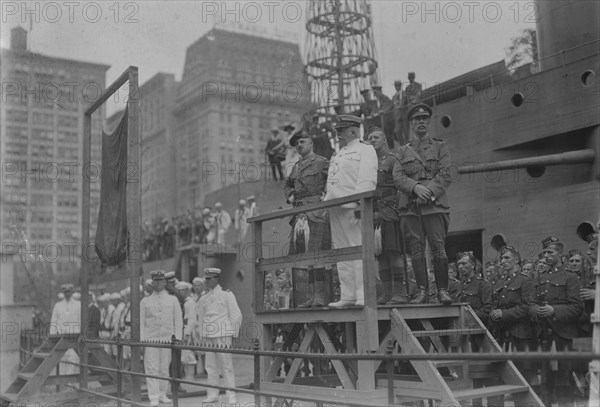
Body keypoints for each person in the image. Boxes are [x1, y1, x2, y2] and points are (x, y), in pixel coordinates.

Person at [393, 103, 453, 304]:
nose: (421, 122)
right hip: (411, 208)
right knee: (416, 250)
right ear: (411, 124)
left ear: (428, 122)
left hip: (434, 208)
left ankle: (443, 291)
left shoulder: (440, 146)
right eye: (417, 119)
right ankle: (422, 292)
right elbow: (398, 177)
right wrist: (415, 188)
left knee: (438, 248)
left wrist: (427, 192)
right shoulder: (402, 151)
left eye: (424, 119)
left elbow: (446, 174)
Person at [324, 114, 377, 307]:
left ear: (354, 130)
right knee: (342, 252)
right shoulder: (339, 152)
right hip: (335, 207)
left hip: (352, 207)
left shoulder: (366, 149)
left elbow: (367, 178)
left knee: (357, 248)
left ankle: (363, 294)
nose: (337, 134)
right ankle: (348, 295)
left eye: (341, 130)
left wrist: (359, 204)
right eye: (337, 130)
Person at [530, 237, 583, 406]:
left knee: (564, 380)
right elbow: (530, 303)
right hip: (544, 336)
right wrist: (536, 311)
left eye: (550, 252)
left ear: (560, 254)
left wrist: (555, 310)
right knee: (546, 381)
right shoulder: (539, 278)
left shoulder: (570, 277)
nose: (546, 256)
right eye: (544, 252)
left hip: (564, 336)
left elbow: (577, 308)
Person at [283, 130, 331, 307]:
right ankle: (312, 295)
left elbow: (332, 180)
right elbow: (287, 185)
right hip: (299, 214)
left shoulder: (322, 162)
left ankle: (320, 294)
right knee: (305, 256)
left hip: (316, 213)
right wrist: (290, 197)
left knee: (316, 253)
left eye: (303, 142)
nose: (299, 145)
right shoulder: (296, 167)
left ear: (311, 143)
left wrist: (326, 197)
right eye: (297, 143)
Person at [367, 127, 408, 304]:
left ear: (384, 140)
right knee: (380, 254)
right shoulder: (367, 163)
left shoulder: (392, 159)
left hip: (390, 212)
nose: (372, 140)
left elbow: (401, 185)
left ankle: (399, 293)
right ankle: (387, 293)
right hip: (372, 213)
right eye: (369, 138)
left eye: (376, 137)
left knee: (393, 252)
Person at [193, 268, 242, 404]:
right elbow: (202, 318)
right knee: (210, 367)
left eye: (209, 279)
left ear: (216, 279)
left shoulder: (226, 295)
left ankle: (231, 395)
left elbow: (236, 315)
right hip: (209, 335)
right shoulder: (204, 297)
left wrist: (234, 332)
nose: (206, 281)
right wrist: (202, 336)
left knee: (226, 366)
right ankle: (212, 394)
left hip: (222, 333)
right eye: (206, 279)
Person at [489, 246, 537, 383]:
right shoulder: (500, 282)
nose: (502, 261)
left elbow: (526, 306)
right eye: (501, 259)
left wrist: (503, 314)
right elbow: (495, 303)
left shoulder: (525, 280)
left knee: (525, 375)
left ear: (516, 260)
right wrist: (494, 312)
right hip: (505, 334)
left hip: (522, 334)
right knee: (509, 375)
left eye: (506, 258)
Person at [140, 270, 183, 407]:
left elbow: (178, 320)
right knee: (152, 368)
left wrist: (177, 338)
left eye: (161, 281)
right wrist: (142, 341)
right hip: (150, 339)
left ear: (165, 282)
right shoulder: (145, 301)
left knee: (164, 368)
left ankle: (163, 393)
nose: (158, 284)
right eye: (156, 281)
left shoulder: (173, 299)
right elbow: (141, 323)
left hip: (166, 338)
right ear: (152, 283)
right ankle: (153, 396)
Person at [50, 284, 81, 375]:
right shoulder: (58, 305)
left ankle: (70, 383)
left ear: (72, 292)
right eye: (65, 292)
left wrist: (80, 334)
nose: (67, 294)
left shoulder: (78, 305)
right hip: (61, 338)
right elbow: (53, 322)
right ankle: (63, 383)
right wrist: (53, 336)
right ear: (63, 293)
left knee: (73, 359)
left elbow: (81, 321)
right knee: (62, 359)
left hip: (74, 337)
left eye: (69, 292)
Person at [455, 252, 492, 323]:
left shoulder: (483, 284)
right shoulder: (458, 286)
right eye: (458, 264)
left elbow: (488, 307)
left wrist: (470, 317)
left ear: (473, 265)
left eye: (464, 263)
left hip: (477, 325)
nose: (460, 267)